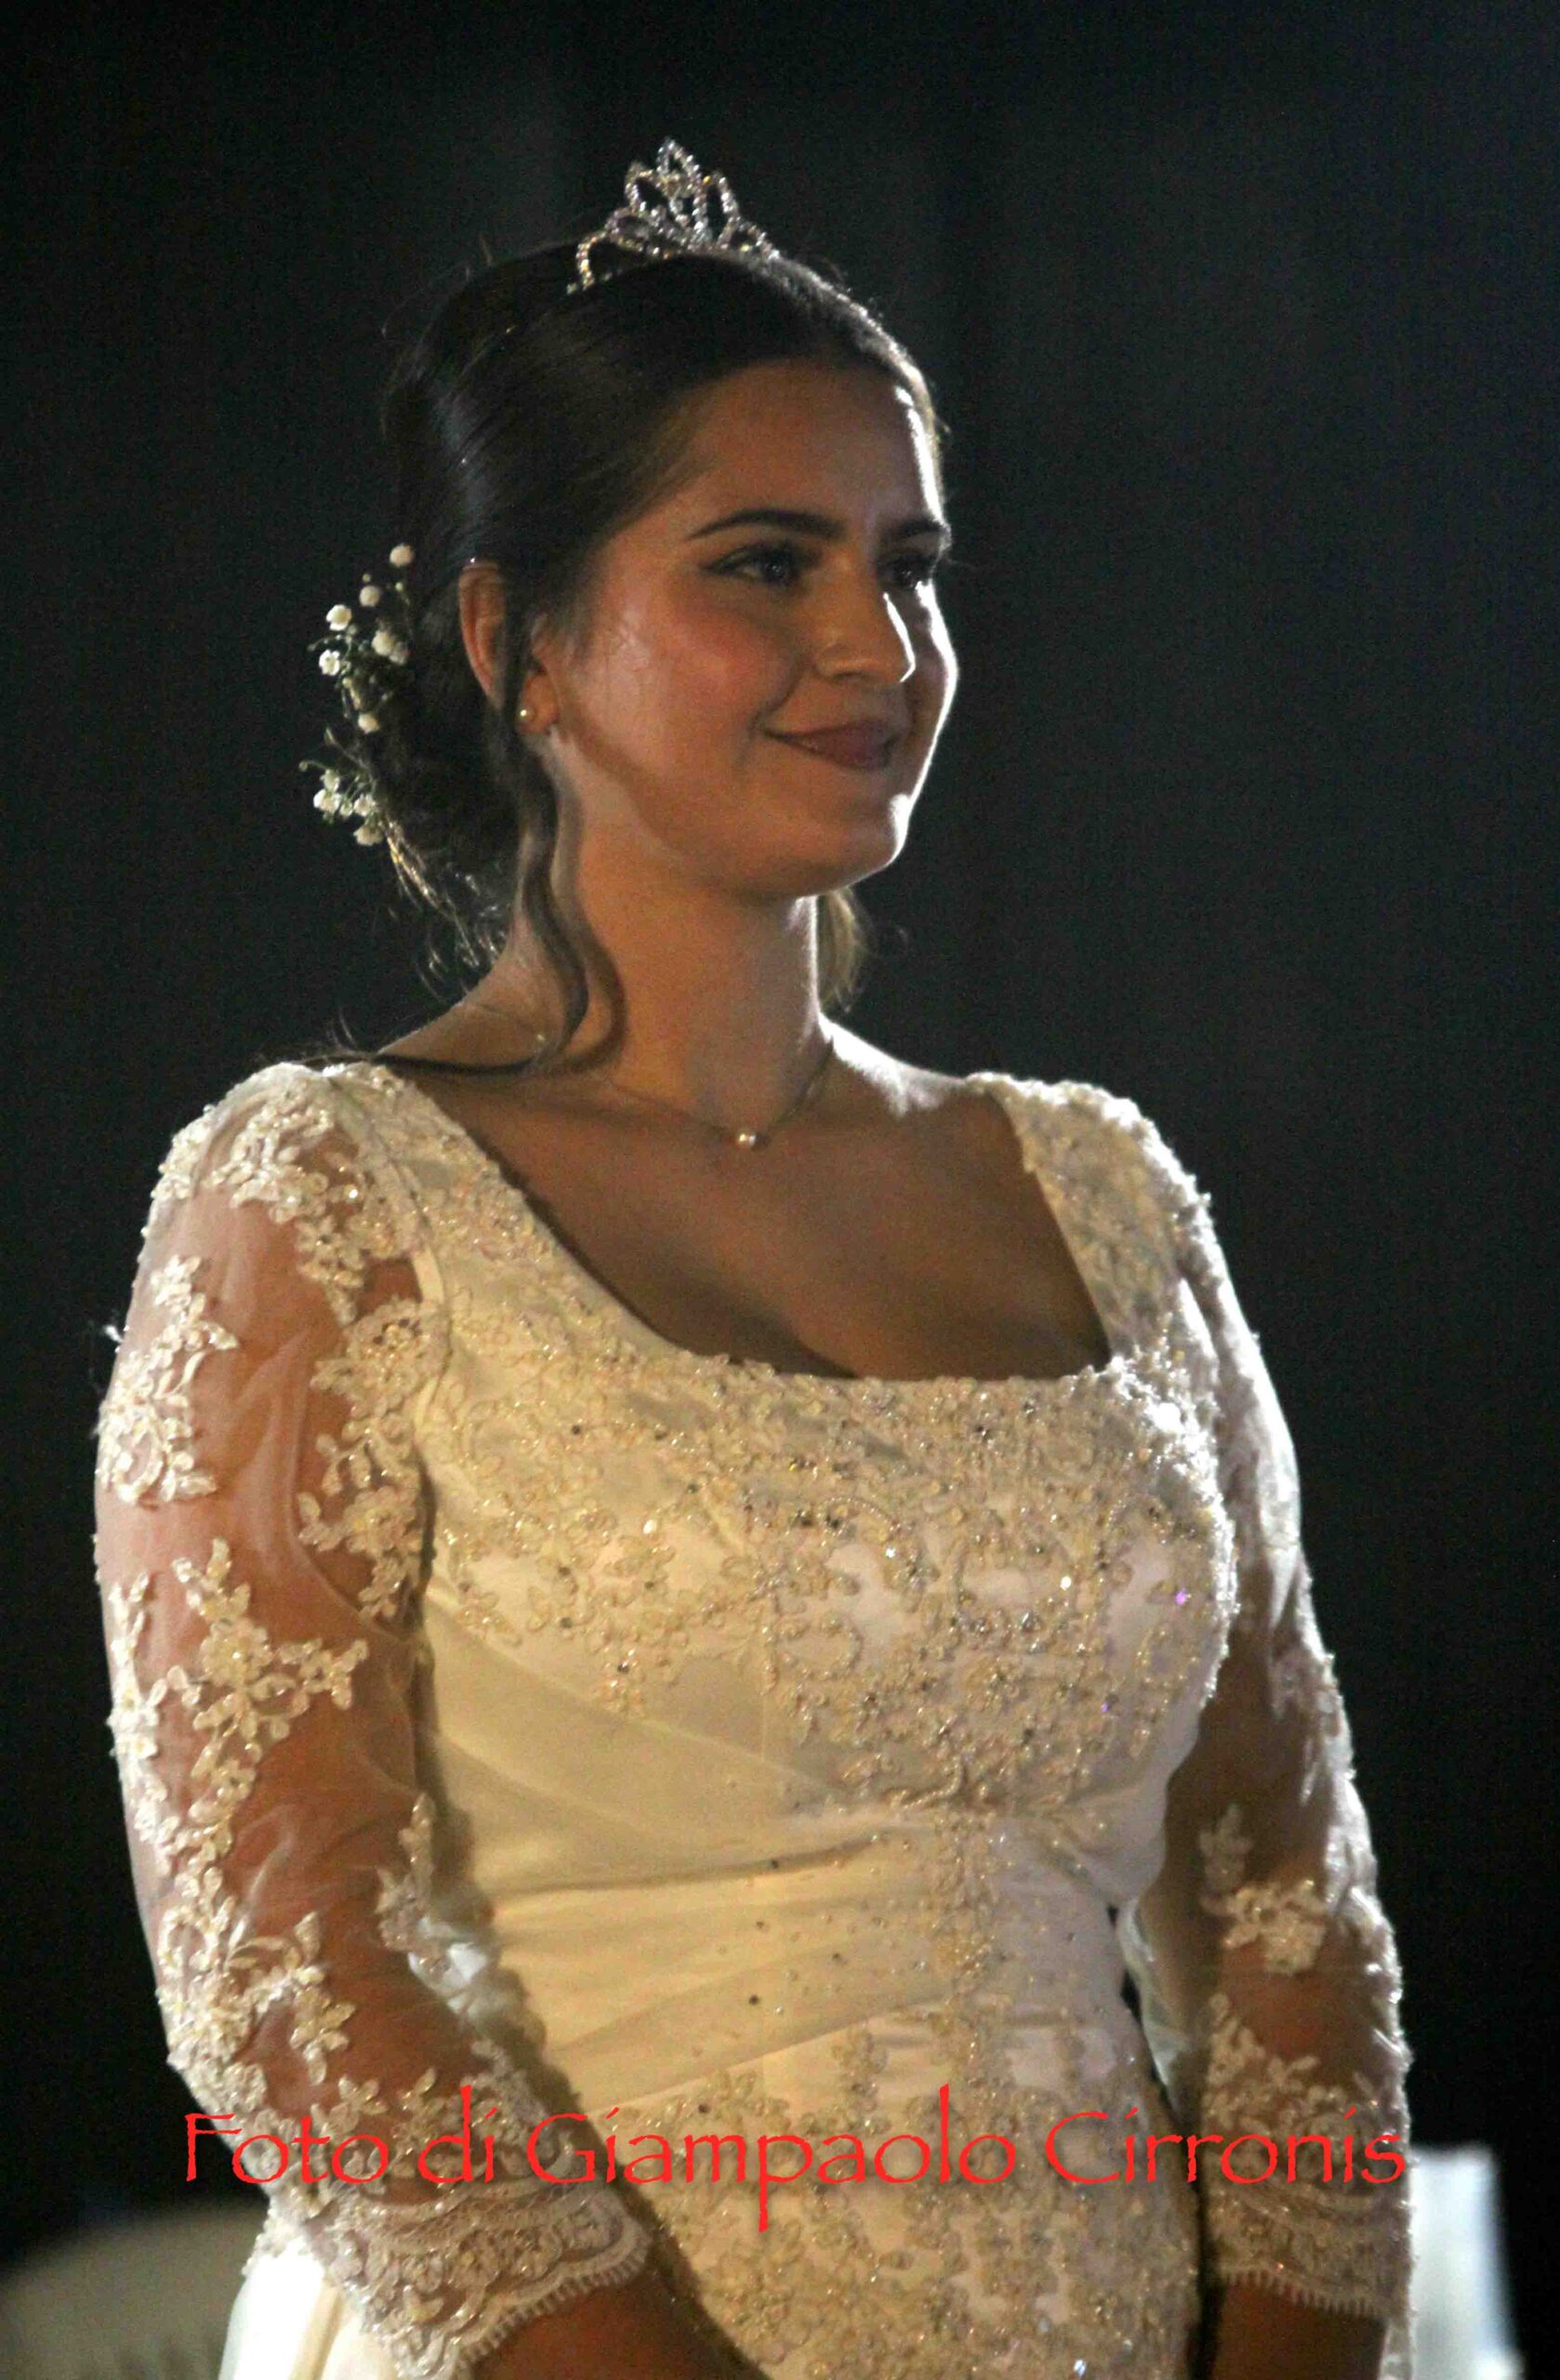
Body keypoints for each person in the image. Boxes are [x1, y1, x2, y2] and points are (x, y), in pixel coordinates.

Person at [92, 143, 1413, 2380]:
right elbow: (287, 1959)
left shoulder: (1093, 1192)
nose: (876, 647)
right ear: (517, 640)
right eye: (765, 563)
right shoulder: (326, 1199)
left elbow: (1289, 1905)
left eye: (910, 568)